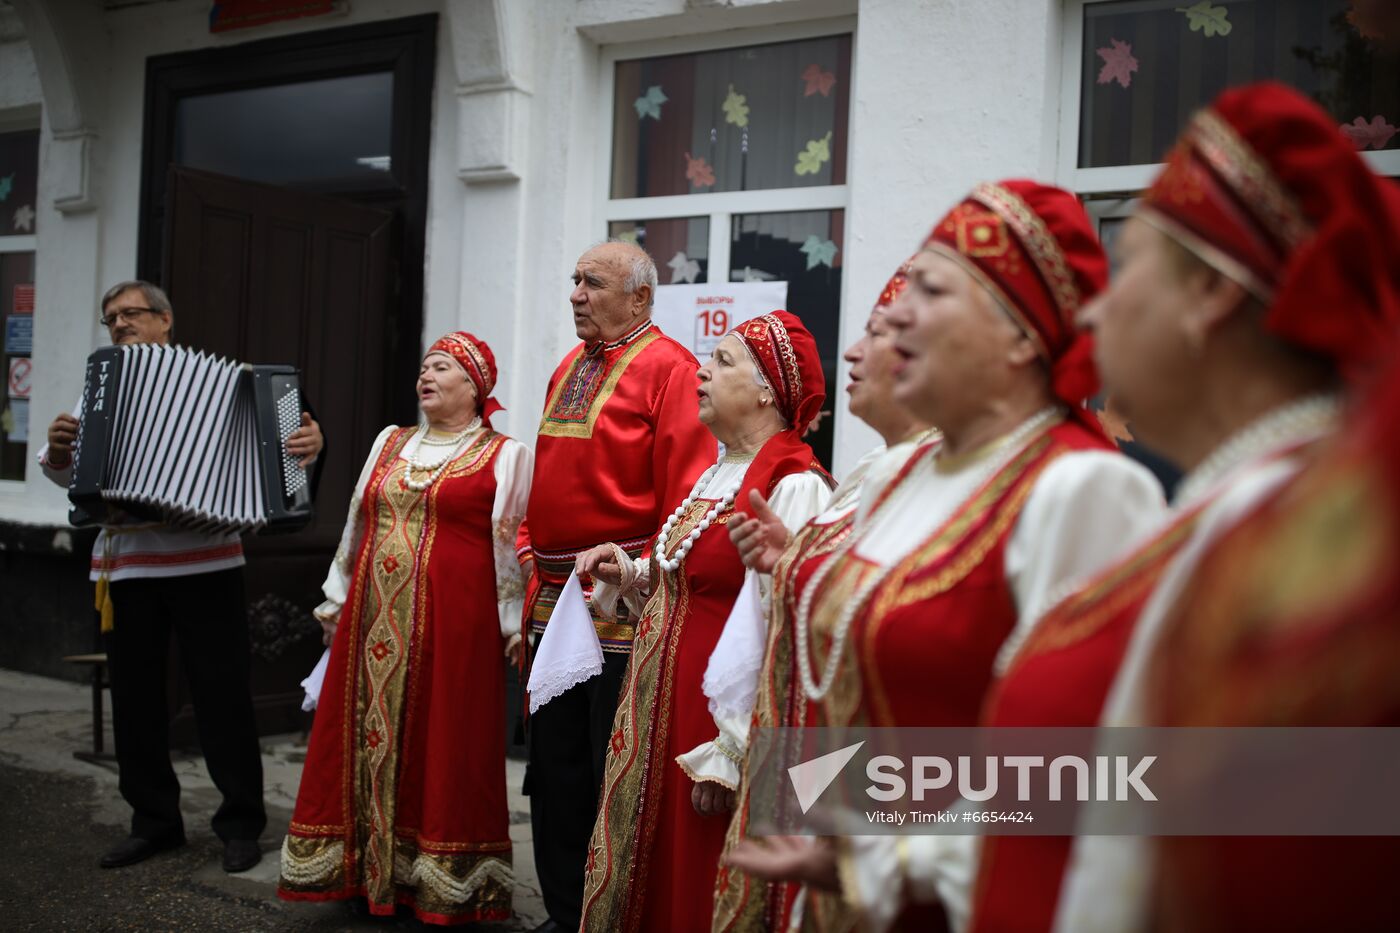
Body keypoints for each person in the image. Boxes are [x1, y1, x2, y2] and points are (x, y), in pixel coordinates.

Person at [726, 181, 1165, 932]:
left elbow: (1102, 769)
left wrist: (892, 859)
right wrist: (808, 812)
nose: (893, 315)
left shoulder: (1081, 488)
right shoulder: (898, 474)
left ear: (1022, 337)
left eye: (929, 290)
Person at [1045, 82, 1400, 933]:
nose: (1096, 308)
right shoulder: (1237, 515)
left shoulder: (1292, 543)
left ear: (1210, 295)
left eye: (1125, 270)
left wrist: (831, 801)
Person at [39, 280, 324, 873]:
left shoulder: (232, 386)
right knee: (136, 702)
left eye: (131, 313)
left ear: (165, 319)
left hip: (208, 562)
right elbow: (76, 485)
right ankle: (154, 823)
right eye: (109, 317)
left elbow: (285, 452)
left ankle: (241, 823)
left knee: (223, 698)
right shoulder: (101, 386)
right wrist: (58, 453)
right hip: (126, 566)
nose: (119, 324)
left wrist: (308, 444)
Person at [578, 310, 833, 933]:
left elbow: (788, 639)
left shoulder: (793, 487)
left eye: (722, 361)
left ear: (768, 388)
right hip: (661, 707)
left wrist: (733, 750)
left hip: (712, 726)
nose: (700, 372)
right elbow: (696, 585)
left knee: (698, 877)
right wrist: (634, 575)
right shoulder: (717, 474)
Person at [278, 331, 531, 924]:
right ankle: (365, 870)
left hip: (455, 627)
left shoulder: (505, 454)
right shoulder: (389, 442)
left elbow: (509, 546)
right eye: (424, 367)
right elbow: (355, 525)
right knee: (361, 735)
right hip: (372, 620)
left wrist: (513, 624)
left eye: (442, 367)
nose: (427, 376)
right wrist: (335, 603)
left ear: (474, 386)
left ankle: (440, 881)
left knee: (445, 740)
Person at [712, 264, 937, 933]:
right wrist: (791, 563)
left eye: (881, 332)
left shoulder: (943, 476)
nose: (855, 350)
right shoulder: (878, 468)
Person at [518, 240, 717, 932]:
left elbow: (685, 498)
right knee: (553, 766)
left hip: (620, 605)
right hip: (551, 599)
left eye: (593, 282)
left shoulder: (672, 368)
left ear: (639, 297)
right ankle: (562, 909)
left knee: (609, 766)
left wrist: (635, 572)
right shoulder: (566, 366)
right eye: (573, 280)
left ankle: (609, 912)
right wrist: (526, 547)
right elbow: (546, 478)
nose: (576, 293)